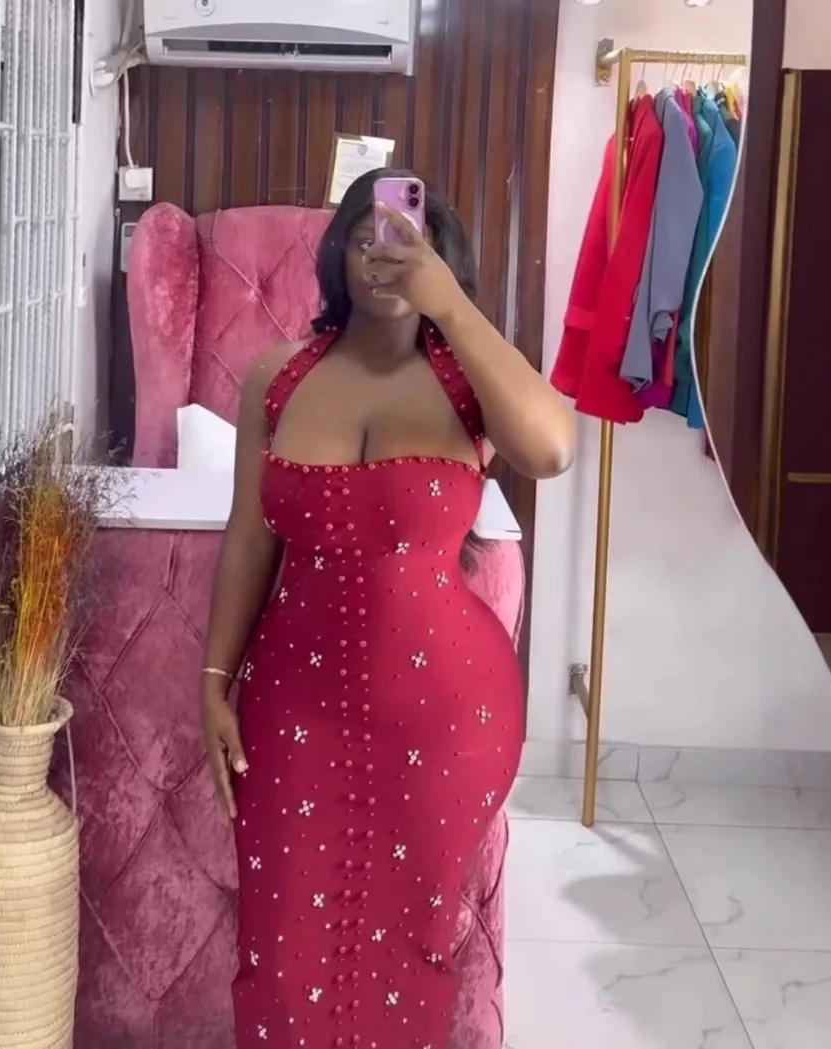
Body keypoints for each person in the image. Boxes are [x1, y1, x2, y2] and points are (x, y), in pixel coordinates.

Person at [200, 169, 574, 1049]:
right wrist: (212, 678)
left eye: (408, 236)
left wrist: (449, 305)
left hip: (443, 712)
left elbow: (553, 447)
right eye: (364, 234)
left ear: (441, 259)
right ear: (336, 251)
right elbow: (249, 538)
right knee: (281, 957)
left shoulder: (468, 383)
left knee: (407, 953)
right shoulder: (275, 379)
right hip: (293, 705)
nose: (383, 251)